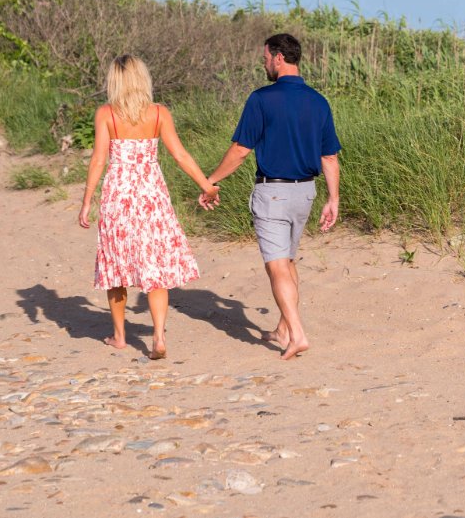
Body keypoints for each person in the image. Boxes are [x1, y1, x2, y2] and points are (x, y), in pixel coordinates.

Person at [199, 33, 340, 360]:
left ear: (278, 57)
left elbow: (241, 149)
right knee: (288, 262)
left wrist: (211, 180)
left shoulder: (261, 99)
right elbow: (329, 157)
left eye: (265, 56)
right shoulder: (319, 102)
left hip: (272, 192)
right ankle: (282, 329)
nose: (263, 61)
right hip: (306, 193)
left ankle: (298, 334)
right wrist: (333, 199)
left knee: (277, 267)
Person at [80, 55, 216, 361]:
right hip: (152, 197)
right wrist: (205, 185)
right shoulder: (158, 113)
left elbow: (99, 160)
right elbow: (180, 154)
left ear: (114, 80)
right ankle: (157, 336)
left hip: (118, 198)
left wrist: (87, 200)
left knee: (116, 268)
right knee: (154, 268)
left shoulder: (106, 114)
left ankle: (119, 336)